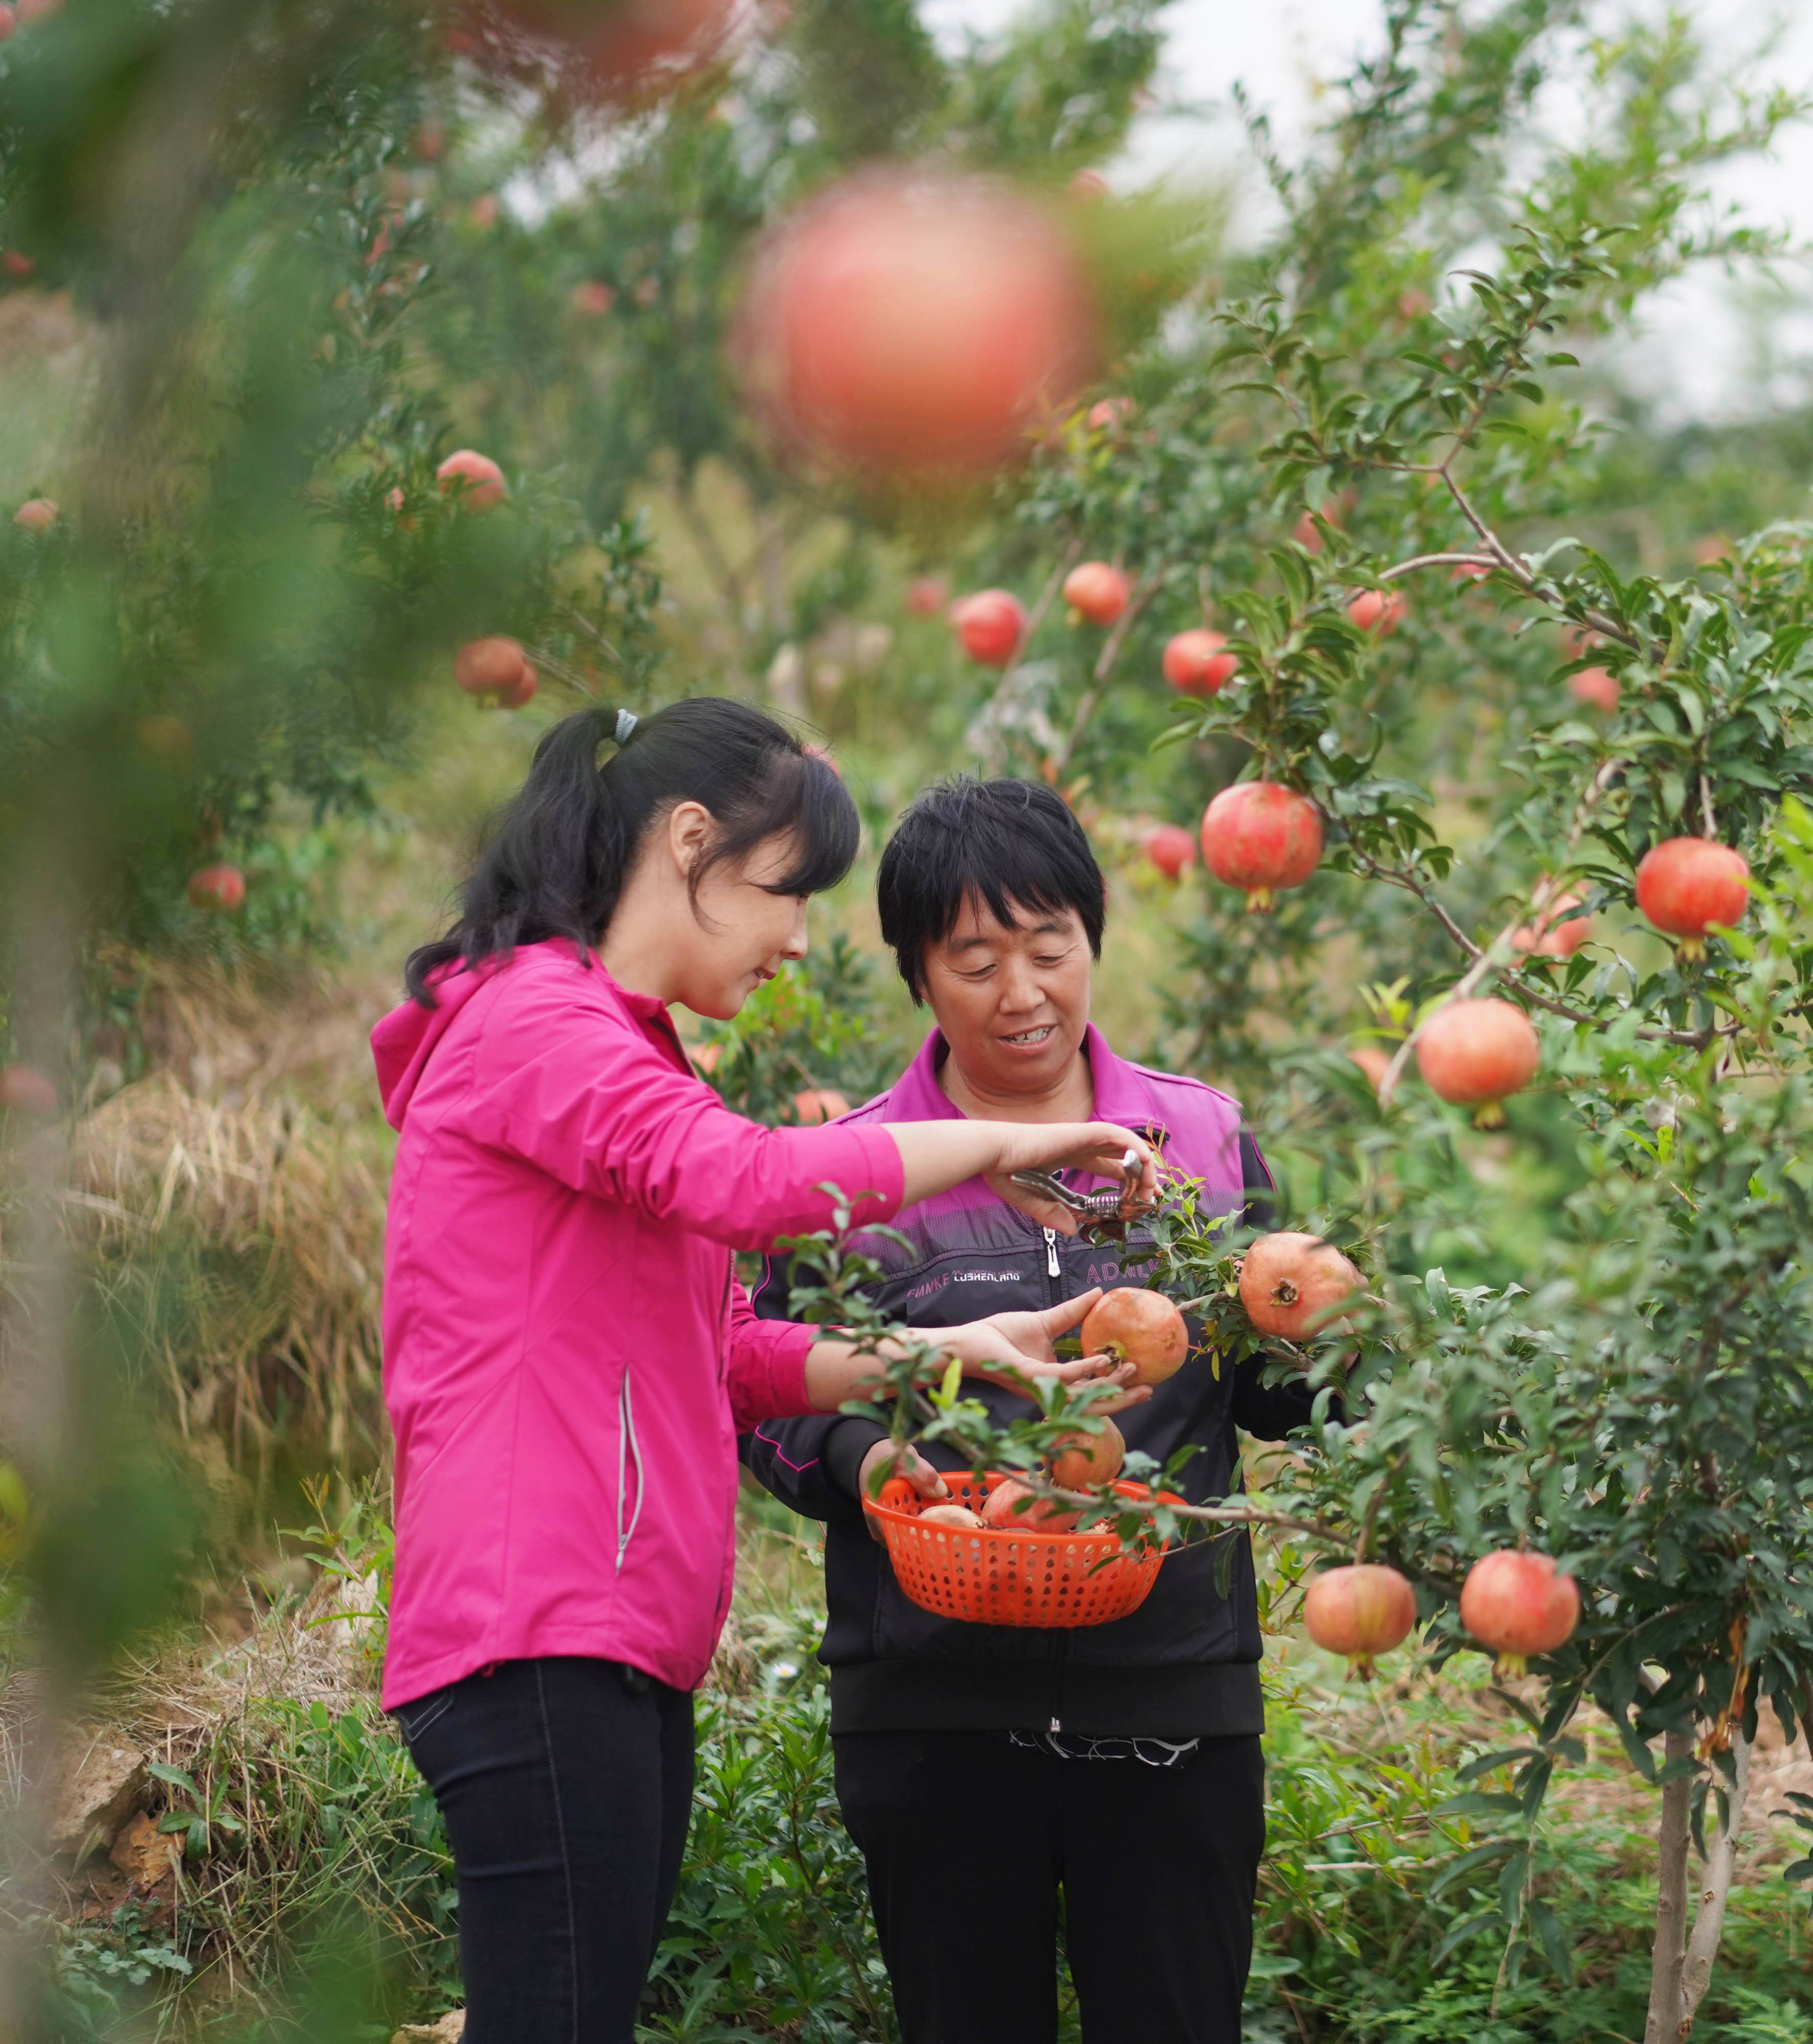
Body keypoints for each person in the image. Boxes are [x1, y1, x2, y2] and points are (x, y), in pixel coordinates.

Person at [375, 701, 1159, 2044]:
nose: (801, 938)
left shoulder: (613, 1040)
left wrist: (944, 1355)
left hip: (605, 1633)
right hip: (540, 1617)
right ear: (690, 843)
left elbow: (725, 1354)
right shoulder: (537, 1022)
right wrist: (987, 1143)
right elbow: (743, 1182)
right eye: (787, 890)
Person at [742, 776, 1323, 2044]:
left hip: (1172, 1699)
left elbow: (1277, 1391)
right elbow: (765, 1399)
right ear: (917, 974)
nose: (1024, 992)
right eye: (977, 957)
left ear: (1092, 941)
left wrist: (1342, 1341)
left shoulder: (1202, 1142)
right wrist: (869, 1452)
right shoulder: (855, 1169)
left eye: (1050, 946)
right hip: (932, 1703)